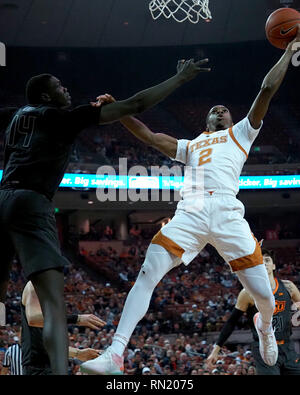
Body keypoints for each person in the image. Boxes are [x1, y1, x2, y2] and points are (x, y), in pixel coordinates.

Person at [80, 27, 300, 375]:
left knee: (264, 297)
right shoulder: (191, 144)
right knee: (147, 273)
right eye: (216, 110)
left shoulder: (241, 132)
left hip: (228, 212)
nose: (220, 110)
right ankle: (115, 353)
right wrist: (119, 111)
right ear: (206, 120)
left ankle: (264, 327)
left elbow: (267, 88)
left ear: (230, 119)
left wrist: (289, 52)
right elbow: (151, 137)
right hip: (192, 211)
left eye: (225, 109)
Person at [0, 58, 209, 375]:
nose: (66, 89)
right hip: (31, 201)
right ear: (45, 97)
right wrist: (179, 78)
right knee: (53, 303)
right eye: (58, 86)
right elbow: (136, 104)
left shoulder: (14, 117)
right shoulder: (60, 118)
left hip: (2, 198)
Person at [206, 248, 300, 375]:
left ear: (273, 266)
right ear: (257, 266)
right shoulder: (247, 293)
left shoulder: (289, 287)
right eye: (261, 261)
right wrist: (216, 350)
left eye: (267, 260)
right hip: (263, 348)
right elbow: (231, 322)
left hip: (288, 346)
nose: (265, 263)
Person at [21, 281, 105, 375]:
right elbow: (33, 319)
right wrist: (77, 319)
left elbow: (47, 345)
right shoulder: (35, 284)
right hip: (38, 367)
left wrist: (78, 353)